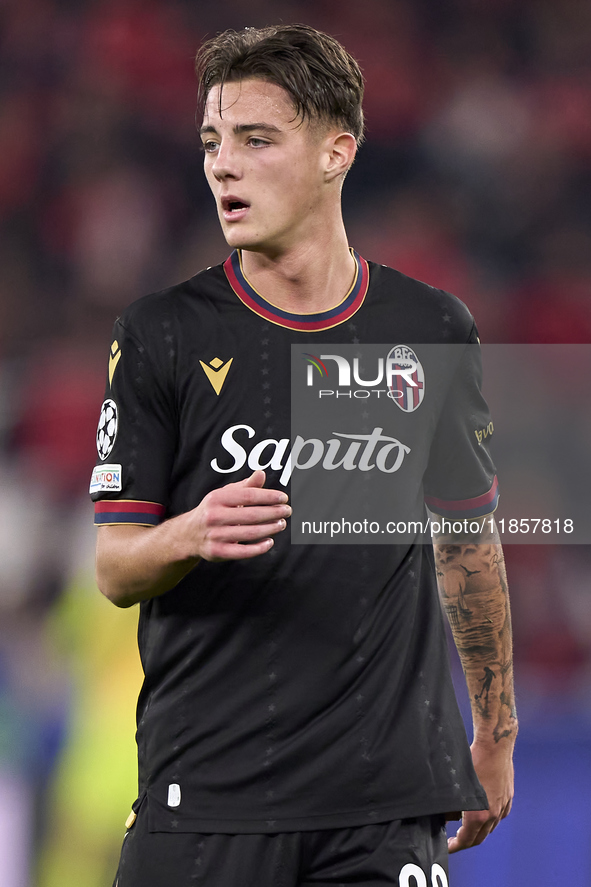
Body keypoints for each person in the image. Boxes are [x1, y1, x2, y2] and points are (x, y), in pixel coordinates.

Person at [90, 24, 517, 887]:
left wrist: (494, 738)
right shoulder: (163, 334)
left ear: (337, 151)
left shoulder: (427, 328)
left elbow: (467, 545)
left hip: (381, 810)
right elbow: (114, 566)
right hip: (206, 800)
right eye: (212, 141)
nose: (222, 165)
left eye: (255, 139)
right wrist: (188, 533)